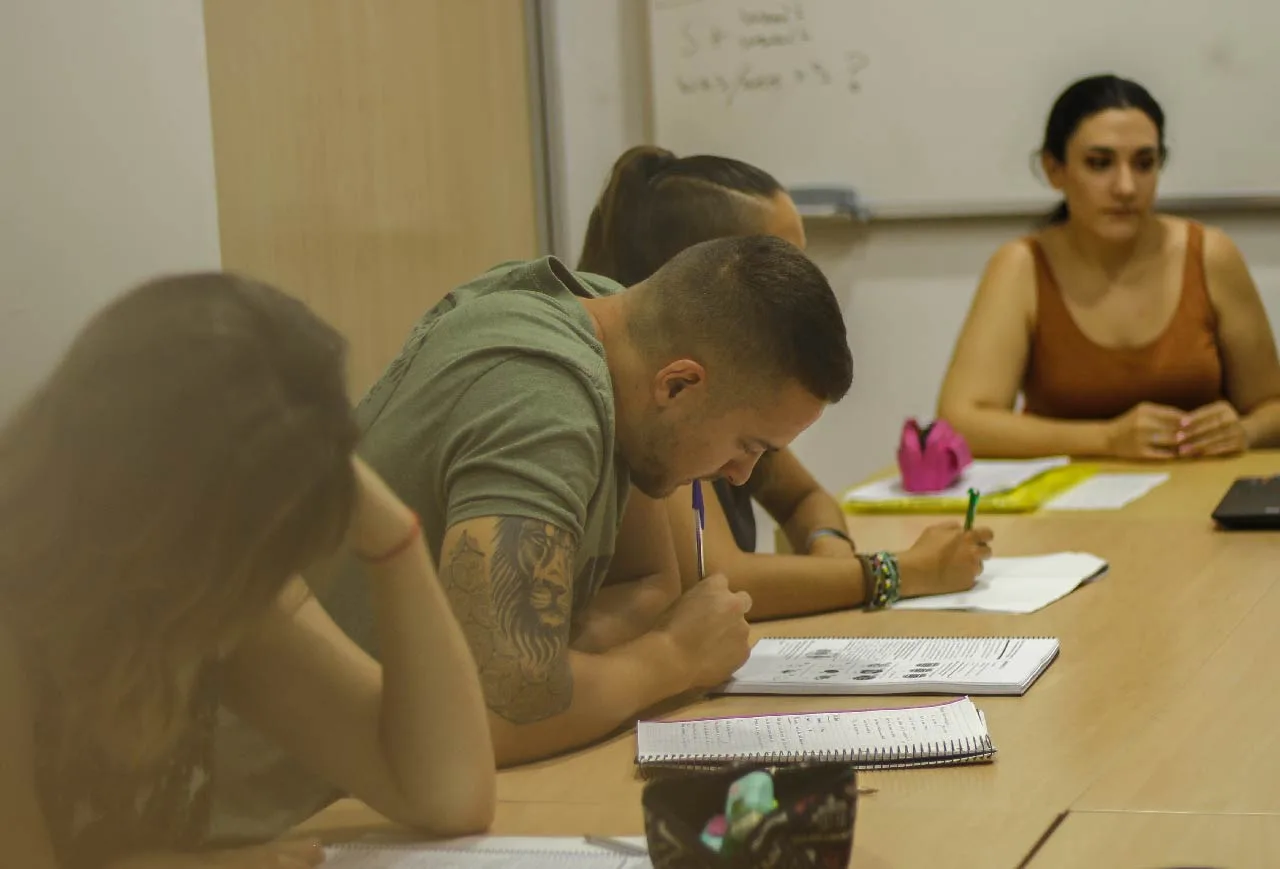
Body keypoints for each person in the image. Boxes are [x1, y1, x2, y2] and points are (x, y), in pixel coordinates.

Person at [0, 274, 495, 869]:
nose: (263, 592)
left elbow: (448, 793)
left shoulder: (202, 590)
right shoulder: (24, 600)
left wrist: (393, 537)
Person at [577, 145, 993, 620]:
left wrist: (831, 558)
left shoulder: (733, 403)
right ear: (704, 274)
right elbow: (719, 576)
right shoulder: (650, 413)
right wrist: (901, 572)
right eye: (781, 263)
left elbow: (805, 499)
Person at [938, 74, 1280, 460]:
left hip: (1201, 495)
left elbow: (1272, 406)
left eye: (1144, 163)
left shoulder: (1210, 255)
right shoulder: (1022, 266)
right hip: (1067, 506)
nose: (1126, 187)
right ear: (1055, 170)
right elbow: (961, 423)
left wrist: (1245, 431)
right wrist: (1106, 440)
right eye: (1099, 164)